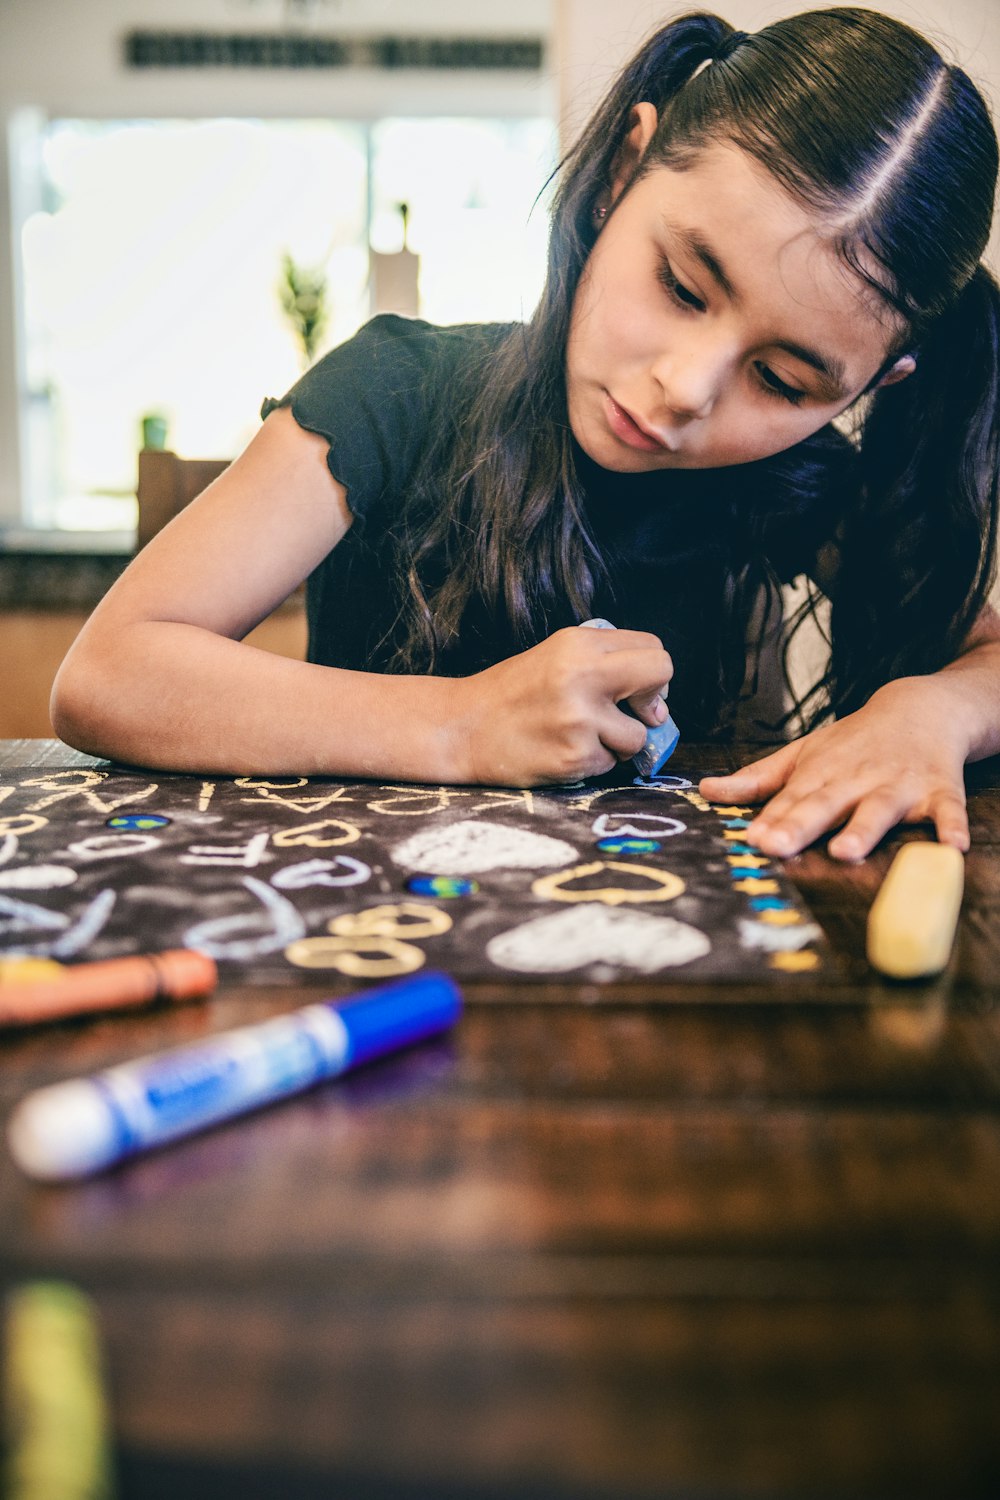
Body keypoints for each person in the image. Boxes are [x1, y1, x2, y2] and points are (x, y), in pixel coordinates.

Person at [52, 6, 1000, 862]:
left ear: (875, 382)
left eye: (782, 381)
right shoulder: (394, 390)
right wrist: (459, 725)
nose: (681, 389)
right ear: (623, 173)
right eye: (679, 286)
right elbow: (110, 672)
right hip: (350, 922)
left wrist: (937, 709)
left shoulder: (788, 482)